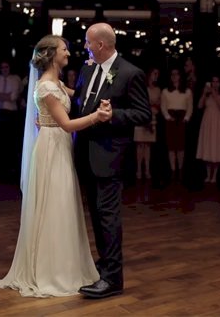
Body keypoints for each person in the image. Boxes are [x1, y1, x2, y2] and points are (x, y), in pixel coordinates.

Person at [0, 35, 112, 297]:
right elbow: (68, 124)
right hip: (51, 149)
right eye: (64, 49)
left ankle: (65, 264)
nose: (68, 53)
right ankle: (51, 270)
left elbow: (79, 97)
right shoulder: (45, 87)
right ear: (51, 55)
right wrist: (98, 116)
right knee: (54, 204)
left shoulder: (55, 83)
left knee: (63, 204)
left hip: (59, 146)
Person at [75, 22, 151, 298]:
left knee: (108, 216)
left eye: (88, 42)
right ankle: (104, 265)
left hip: (111, 156)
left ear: (101, 46)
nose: (85, 47)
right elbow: (81, 105)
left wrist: (114, 115)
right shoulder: (87, 69)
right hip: (86, 154)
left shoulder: (131, 73)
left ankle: (113, 279)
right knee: (96, 214)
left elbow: (144, 114)